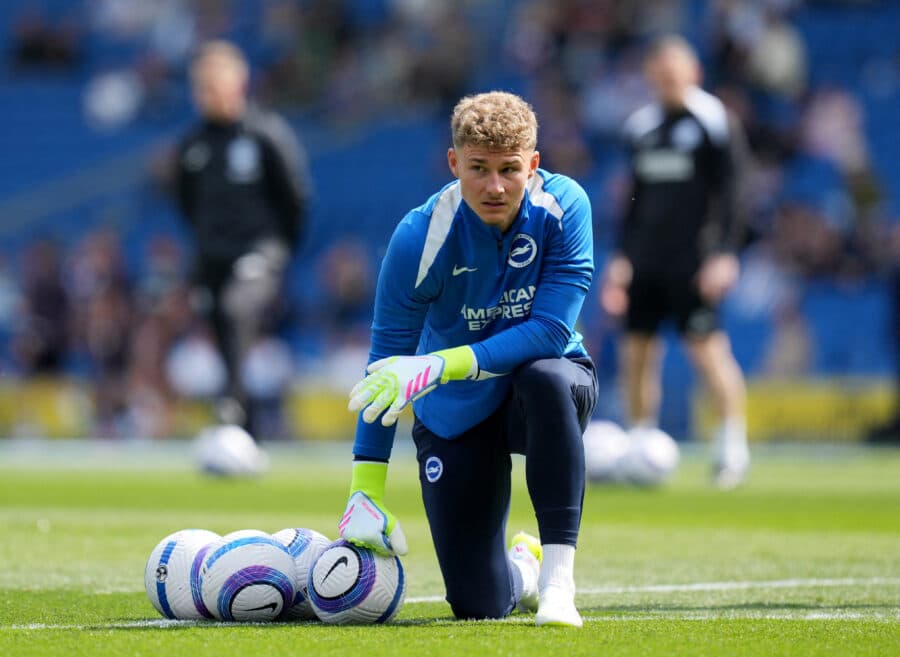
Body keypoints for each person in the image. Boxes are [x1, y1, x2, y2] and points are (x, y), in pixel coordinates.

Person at [339, 91, 598, 627]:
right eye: (478, 169)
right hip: (456, 411)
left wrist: (438, 364)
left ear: (533, 164)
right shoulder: (419, 236)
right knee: (478, 605)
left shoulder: (566, 207)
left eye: (509, 169)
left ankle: (556, 584)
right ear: (454, 162)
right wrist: (365, 491)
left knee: (546, 378)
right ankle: (522, 572)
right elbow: (386, 358)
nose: (495, 186)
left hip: (543, 394)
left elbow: (550, 332)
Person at [600, 35, 750, 488]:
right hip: (646, 260)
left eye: (674, 71)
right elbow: (634, 200)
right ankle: (641, 443)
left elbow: (734, 193)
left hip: (695, 261)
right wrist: (622, 258)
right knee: (637, 354)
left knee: (707, 350)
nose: (666, 79)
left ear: (694, 73)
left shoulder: (714, 121)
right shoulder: (641, 127)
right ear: (650, 75)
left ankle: (731, 446)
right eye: (659, 72)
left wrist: (724, 253)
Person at [173, 40, 310, 437]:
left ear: (239, 83)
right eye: (200, 86)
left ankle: (229, 408)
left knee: (236, 310)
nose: (205, 94)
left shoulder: (265, 134)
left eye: (213, 84)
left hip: (258, 251)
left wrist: (279, 249)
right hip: (211, 257)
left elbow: (295, 196)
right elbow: (185, 201)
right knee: (220, 329)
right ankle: (246, 431)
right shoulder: (193, 145)